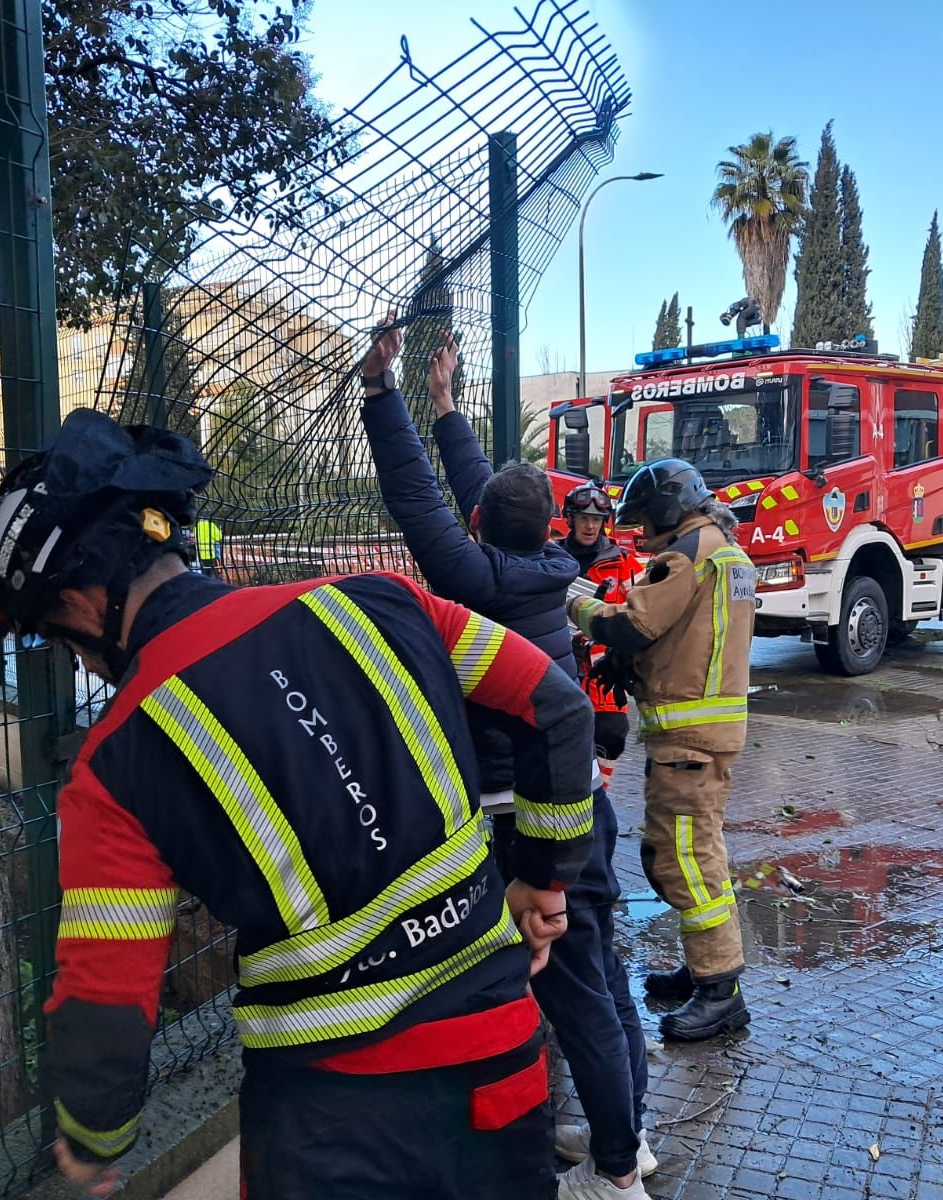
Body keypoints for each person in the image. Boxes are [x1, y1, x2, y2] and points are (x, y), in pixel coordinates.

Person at [0, 407, 596, 1200]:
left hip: (327, 1123)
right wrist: (542, 877)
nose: (87, 666)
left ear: (83, 605)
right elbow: (558, 707)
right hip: (498, 1066)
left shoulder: (114, 764)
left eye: (66, 642)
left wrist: (93, 1140)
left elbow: (106, 1002)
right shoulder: (381, 602)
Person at [359, 323, 652, 1199]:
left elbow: (420, 501)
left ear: (486, 526)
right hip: (583, 804)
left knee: (570, 988)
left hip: (530, 824)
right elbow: (467, 496)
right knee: (599, 972)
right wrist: (444, 403)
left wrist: (383, 395)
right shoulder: (549, 572)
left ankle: (613, 1173)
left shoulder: (476, 579)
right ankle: (627, 1141)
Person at [568, 458, 756, 1043]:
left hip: (688, 737)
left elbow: (635, 625)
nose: (639, 533)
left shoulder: (686, 555)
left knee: (683, 861)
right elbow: (691, 634)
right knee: (694, 851)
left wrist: (573, 603)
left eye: (645, 520)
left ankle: (720, 991)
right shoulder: (726, 552)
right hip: (705, 733)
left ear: (670, 510)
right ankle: (705, 968)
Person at [559, 484, 643, 790]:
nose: (590, 525)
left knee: (611, 734)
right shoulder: (553, 558)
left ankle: (599, 798)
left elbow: (641, 612)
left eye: (597, 518)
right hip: (559, 661)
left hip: (604, 668)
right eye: (583, 517)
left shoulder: (624, 564)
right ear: (570, 518)